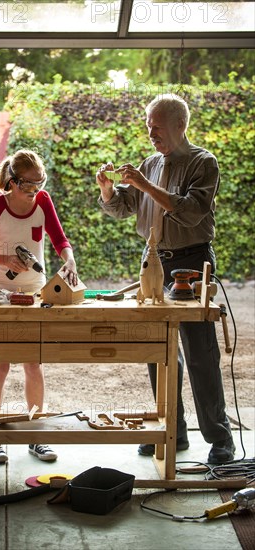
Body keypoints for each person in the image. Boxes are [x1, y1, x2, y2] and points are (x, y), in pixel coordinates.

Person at [96, 94, 235, 464]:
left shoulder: (203, 162)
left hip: (191, 263)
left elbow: (191, 211)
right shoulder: (149, 163)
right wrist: (108, 189)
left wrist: (143, 185)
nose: (149, 131)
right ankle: (173, 433)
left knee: (200, 354)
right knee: (158, 351)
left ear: (179, 125)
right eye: (147, 123)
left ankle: (221, 441)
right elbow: (124, 208)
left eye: (156, 124)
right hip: (153, 260)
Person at [0, 149, 78, 464]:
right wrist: (5, 259)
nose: (34, 191)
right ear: (13, 181)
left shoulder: (44, 202)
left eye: (39, 184)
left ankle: (36, 435)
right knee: (1, 363)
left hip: (34, 291)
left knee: (33, 364)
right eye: (28, 185)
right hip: (2, 291)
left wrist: (69, 256)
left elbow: (59, 239)